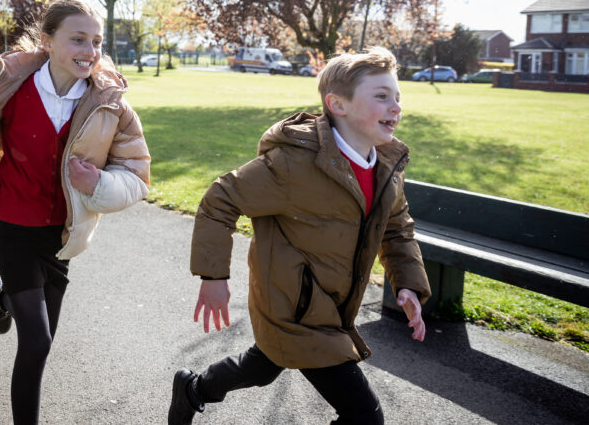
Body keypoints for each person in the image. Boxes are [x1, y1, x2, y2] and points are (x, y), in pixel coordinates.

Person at [0, 0, 151, 424]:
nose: (90, 50)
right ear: (48, 41)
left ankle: (2, 290)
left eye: (96, 41)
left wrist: (97, 183)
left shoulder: (110, 102)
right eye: (78, 39)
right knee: (37, 342)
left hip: (61, 237)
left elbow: (137, 172)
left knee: (44, 339)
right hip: (12, 226)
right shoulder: (8, 85)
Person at [169, 47, 431, 425]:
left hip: (331, 304)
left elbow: (396, 227)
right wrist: (214, 277)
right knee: (364, 416)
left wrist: (407, 282)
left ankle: (193, 389)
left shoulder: (385, 165)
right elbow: (220, 199)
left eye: (398, 97)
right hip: (294, 307)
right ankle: (194, 389)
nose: (396, 107)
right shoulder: (294, 163)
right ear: (337, 104)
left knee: (262, 366)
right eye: (381, 96)